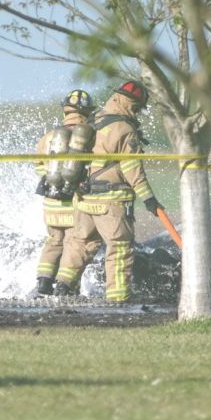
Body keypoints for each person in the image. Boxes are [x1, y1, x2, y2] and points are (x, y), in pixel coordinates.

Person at [64, 80, 162, 302]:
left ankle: (63, 286)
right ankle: (118, 297)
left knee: (81, 242)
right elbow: (131, 168)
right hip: (111, 200)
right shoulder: (124, 129)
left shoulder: (93, 120)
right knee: (119, 247)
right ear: (131, 104)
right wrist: (149, 199)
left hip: (84, 198)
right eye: (137, 107)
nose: (138, 112)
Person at [33, 89, 101, 296]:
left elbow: (38, 166)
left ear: (65, 111)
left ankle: (43, 282)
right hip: (74, 202)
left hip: (51, 201)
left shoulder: (50, 136)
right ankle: (64, 285)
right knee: (76, 243)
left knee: (54, 240)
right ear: (88, 112)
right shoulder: (90, 136)